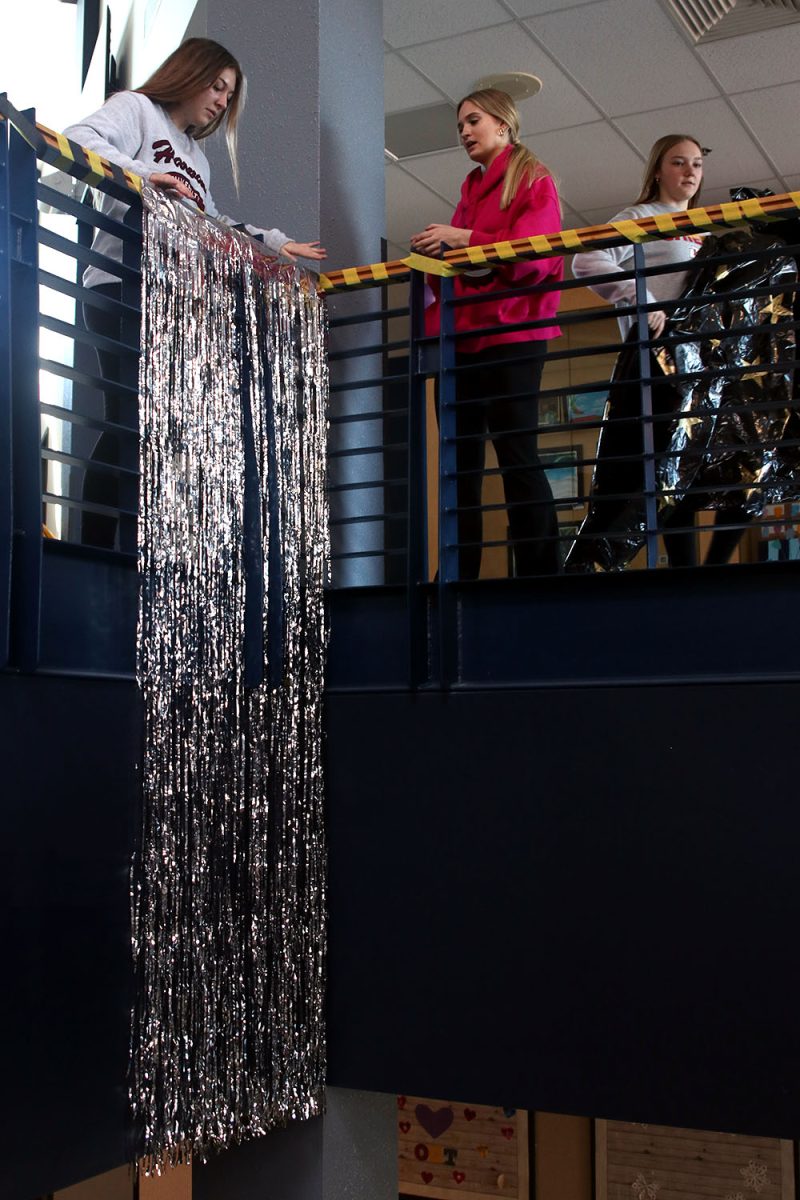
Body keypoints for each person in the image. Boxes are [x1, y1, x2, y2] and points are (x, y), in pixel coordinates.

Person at [63, 37, 326, 548]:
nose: (223, 101)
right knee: (127, 417)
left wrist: (274, 242)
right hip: (120, 281)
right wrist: (145, 175)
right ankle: (95, 546)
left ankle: (134, 546)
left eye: (229, 96)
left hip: (168, 295)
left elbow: (210, 221)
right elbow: (78, 137)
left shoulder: (198, 161)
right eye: (218, 86)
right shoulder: (137, 109)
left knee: (154, 427)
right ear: (190, 73)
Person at [568, 134, 749, 570]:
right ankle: (685, 570)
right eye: (679, 163)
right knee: (673, 464)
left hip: (701, 363)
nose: (690, 172)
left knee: (740, 458)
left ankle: (716, 565)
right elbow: (586, 260)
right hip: (657, 358)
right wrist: (640, 298)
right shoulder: (640, 217)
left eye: (697, 165)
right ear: (658, 170)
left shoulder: (704, 228)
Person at [410, 88, 563, 579]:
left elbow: (535, 258)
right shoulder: (471, 188)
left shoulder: (534, 179)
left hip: (514, 334)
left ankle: (540, 573)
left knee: (518, 455)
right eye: (460, 126)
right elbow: (460, 268)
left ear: (504, 124)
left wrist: (466, 239)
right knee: (459, 466)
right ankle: (458, 573)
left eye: (473, 121)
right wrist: (436, 253)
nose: (465, 133)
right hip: (465, 338)